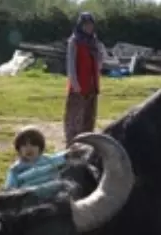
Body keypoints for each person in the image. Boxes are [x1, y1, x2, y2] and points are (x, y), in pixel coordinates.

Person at [64, 12, 107, 144]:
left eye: (91, 25)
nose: (89, 27)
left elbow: (99, 62)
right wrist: (75, 83)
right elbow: (71, 64)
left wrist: (101, 55)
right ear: (80, 25)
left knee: (89, 117)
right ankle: (72, 142)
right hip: (79, 86)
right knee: (75, 117)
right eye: (86, 25)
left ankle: (87, 143)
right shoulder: (75, 41)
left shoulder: (94, 42)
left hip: (92, 85)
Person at [4, 126, 69, 197]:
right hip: (30, 201)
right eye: (24, 145)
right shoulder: (16, 170)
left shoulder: (49, 160)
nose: (29, 148)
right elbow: (9, 192)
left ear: (40, 147)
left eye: (33, 144)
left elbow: (64, 156)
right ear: (19, 148)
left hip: (52, 197)